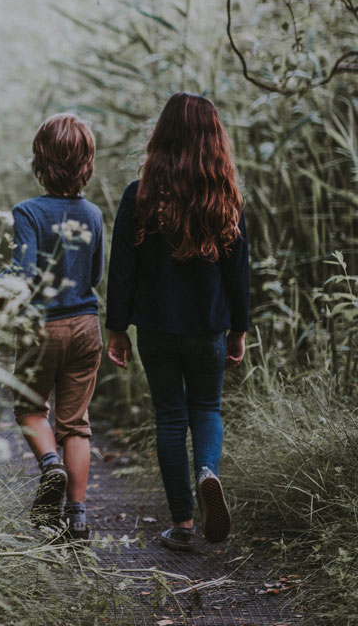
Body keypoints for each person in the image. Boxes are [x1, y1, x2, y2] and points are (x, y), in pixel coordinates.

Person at [106, 92, 249, 551]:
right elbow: (238, 270)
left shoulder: (140, 196)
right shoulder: (224, 197)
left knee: (169, 417)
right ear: (214, 141)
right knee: (206, 409)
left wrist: (117, 327)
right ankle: (208, 470)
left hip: (156, 328)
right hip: (207, 327)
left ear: (160, 137)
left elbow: (121, 268)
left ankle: (184, 526)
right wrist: (239, 328)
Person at [9, 113, 104, 540]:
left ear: (39, 161)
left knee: (30, 406)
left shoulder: (27, 212)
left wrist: (1, 286)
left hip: (41, 326)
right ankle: (78, 516)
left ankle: (51, 466)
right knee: (76, 422)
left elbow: (23, 273)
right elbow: (96, 275)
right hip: (86, 325)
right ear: (87, 163)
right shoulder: (94, 214)